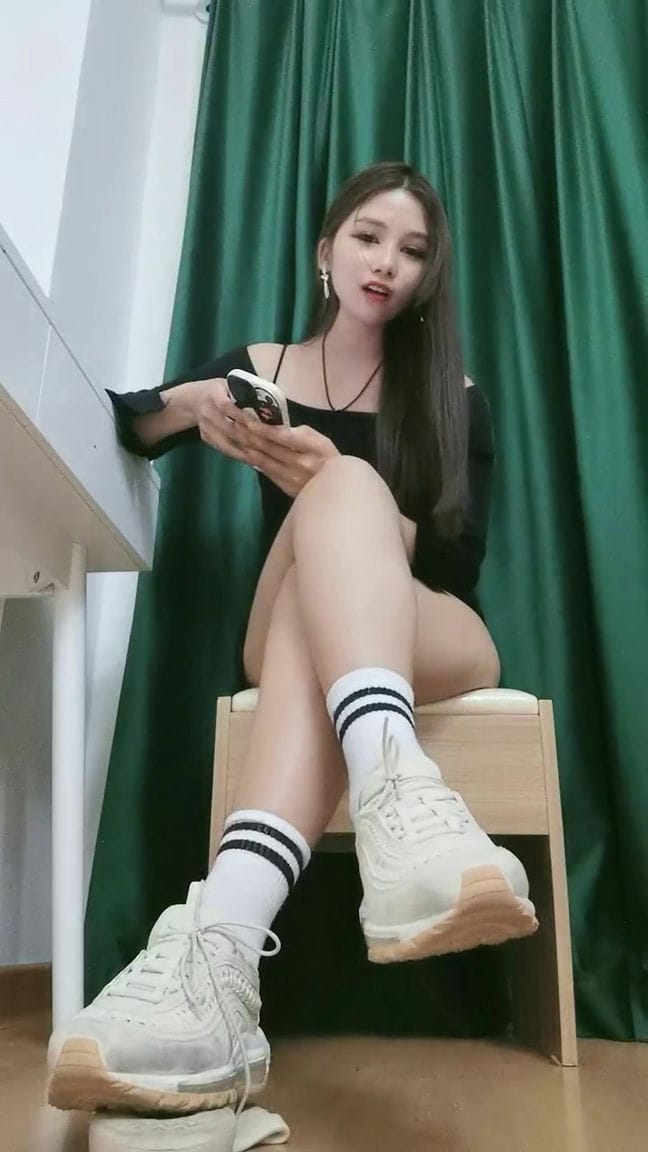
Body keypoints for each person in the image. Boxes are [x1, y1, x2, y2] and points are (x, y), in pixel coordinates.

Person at [48, 162, 537, 1117]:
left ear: (427, 276)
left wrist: (337, 486)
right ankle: (392, 788)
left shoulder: (454, 393)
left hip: (426, 621)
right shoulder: (261, 366)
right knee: (339, 490)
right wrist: (194, 403)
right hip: (284, 618)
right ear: (326, 250)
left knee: (344, 487)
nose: (385, 263)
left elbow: (456, 557)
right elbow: (131, 427)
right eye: (367, 237)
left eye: (411, 250)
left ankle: (219, 960)